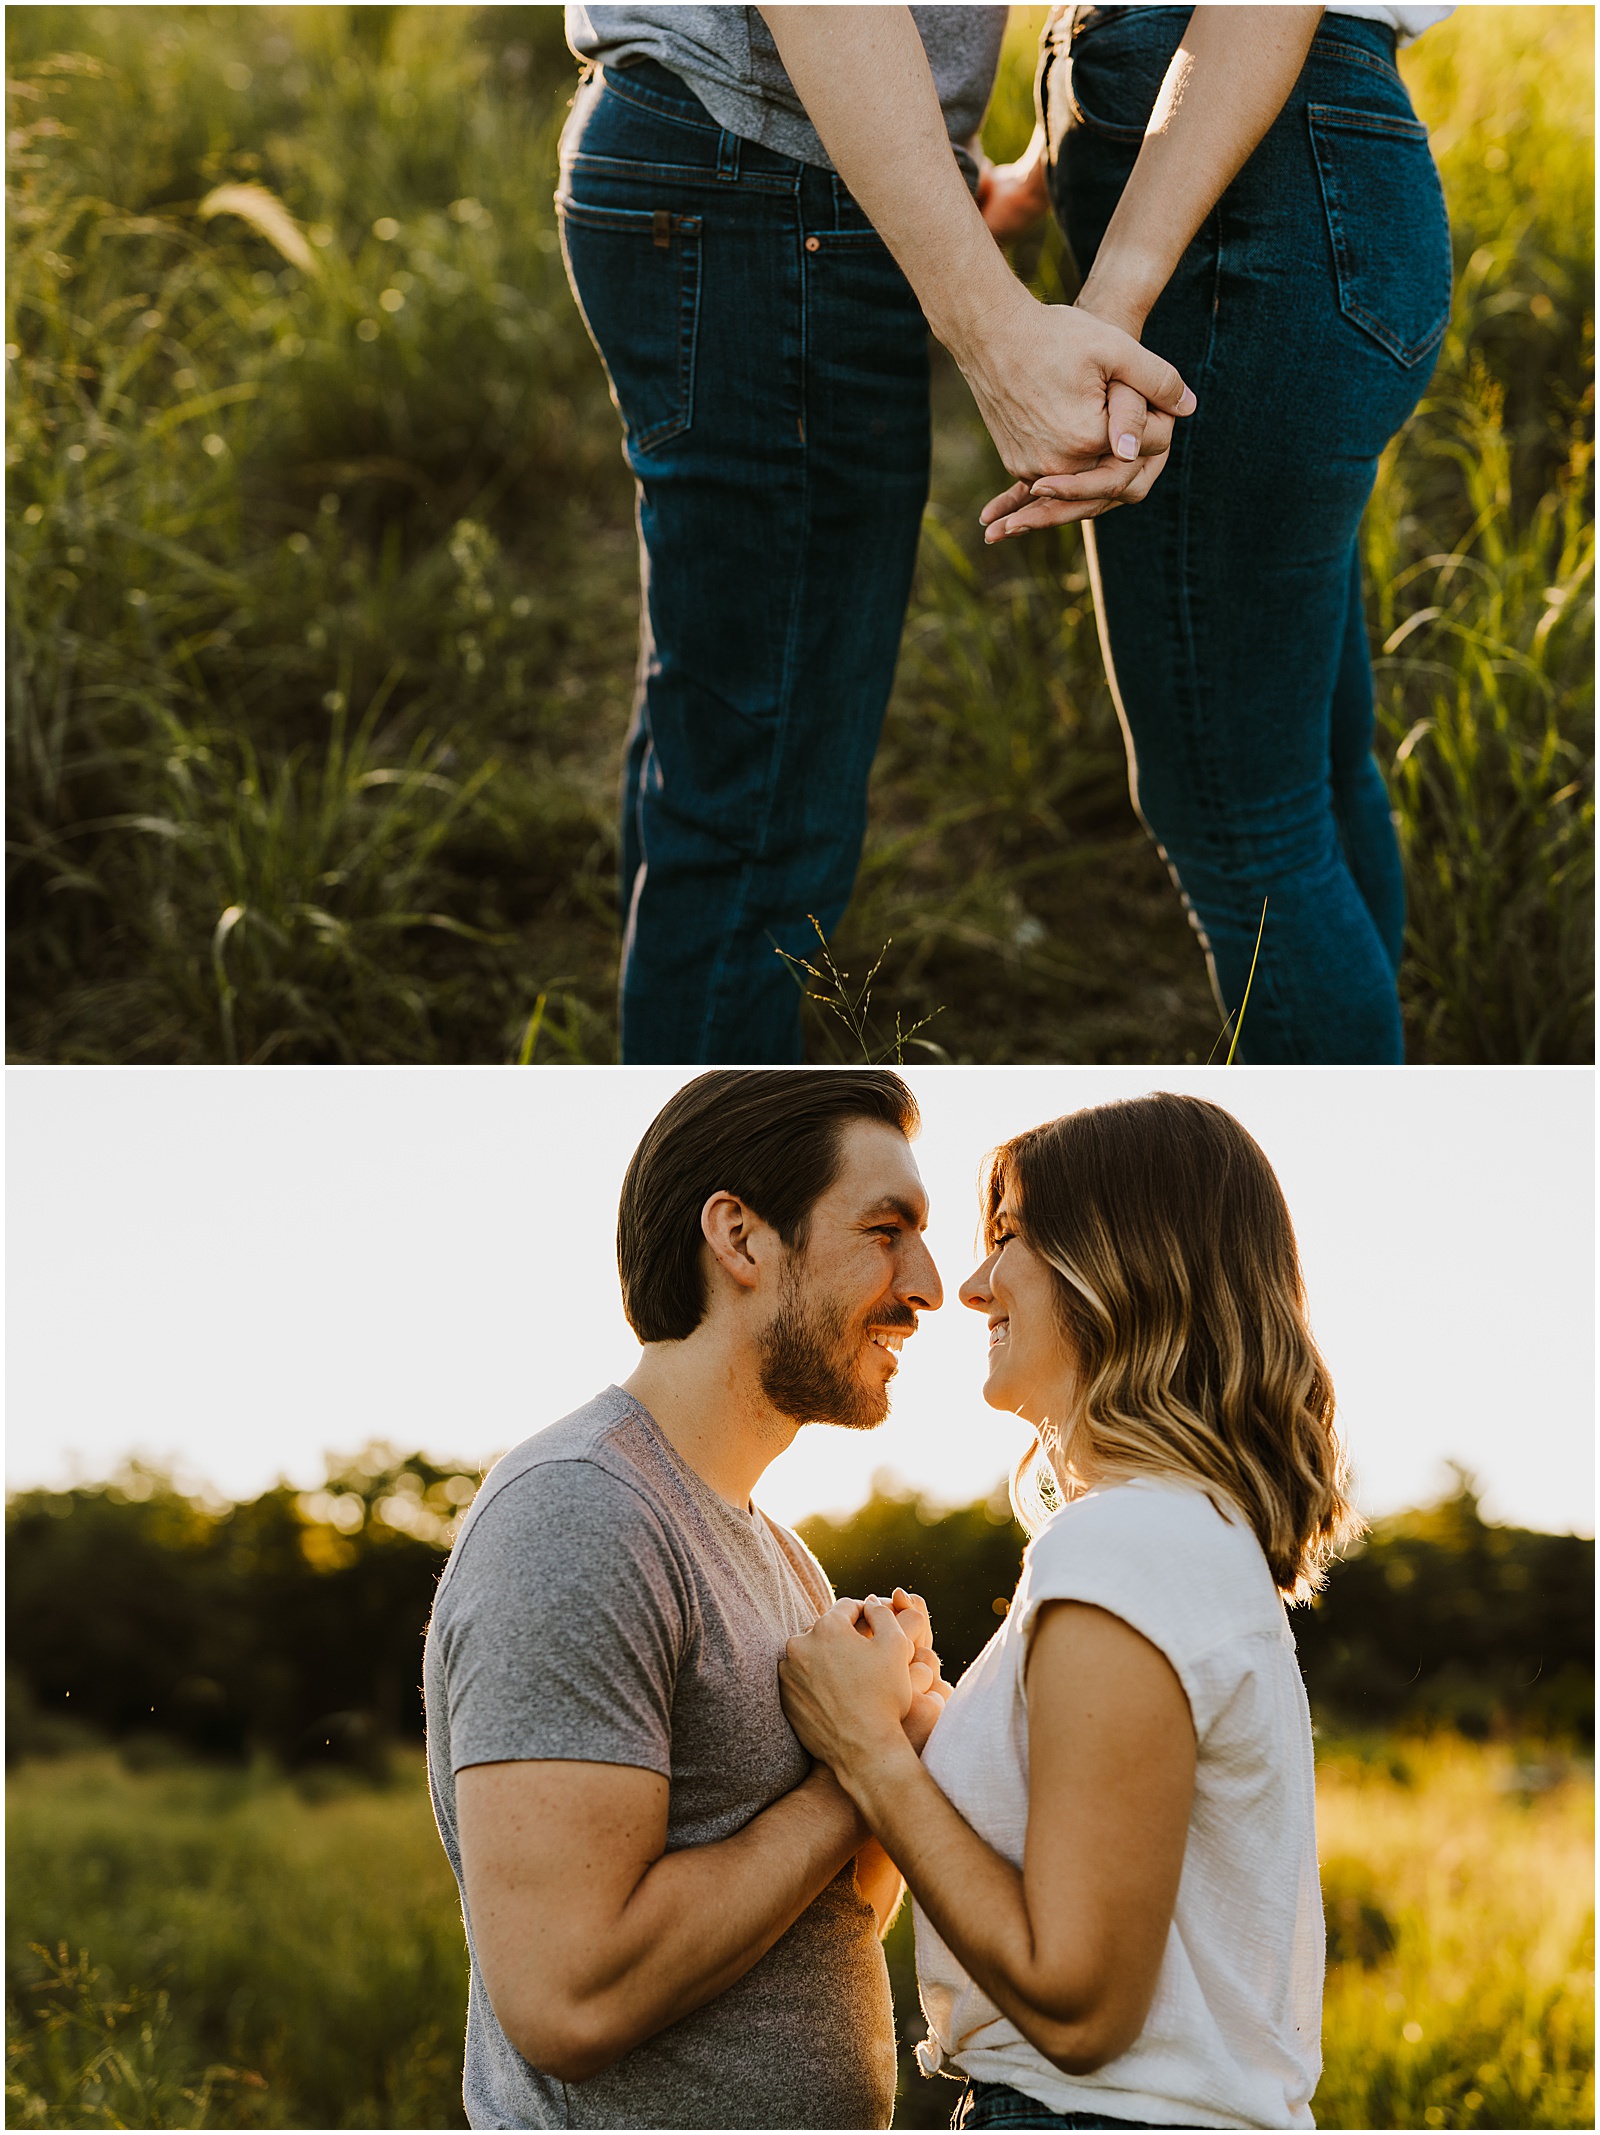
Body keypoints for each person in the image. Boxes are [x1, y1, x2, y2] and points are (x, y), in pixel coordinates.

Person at [557, 7, 1198, 1062]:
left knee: (726, 730)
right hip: (770, 169)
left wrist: (971, 177)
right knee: (760, 812)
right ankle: (712, 1161)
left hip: (730, 154)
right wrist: (990, 326)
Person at [779, 1092, 1362, 2129]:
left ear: (1119, 1259)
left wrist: (869, 1753)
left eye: (1006, 1237)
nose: (967, 1285)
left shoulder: (1125, 1549)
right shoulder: (1180, 1537)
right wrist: (924, 1712)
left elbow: (1080, 2002)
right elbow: (1079, 1830)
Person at [422, 1068, 951, 2129]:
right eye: (886, 1228)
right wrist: (858, 1765)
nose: (930, 1283)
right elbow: (571, 1998)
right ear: (741, 1238)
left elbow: (841, 1917)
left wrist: (908, 1720)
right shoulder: (578, 1513)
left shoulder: (785, 1557)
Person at [978, 5, 1458, 1061]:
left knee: (1240, 819)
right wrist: (1036, 162)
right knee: (1309, 774)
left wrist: (1115, 296)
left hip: (1247, 214)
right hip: (1294, 181)